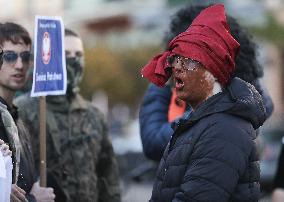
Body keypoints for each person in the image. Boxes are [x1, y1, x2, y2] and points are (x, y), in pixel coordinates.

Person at [141, 4, 266, 201]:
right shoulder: (196, 123)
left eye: (189, 60)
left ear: (213, 72)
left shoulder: (224, 130)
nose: (176, 68)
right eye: (175, 59)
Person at [14, 28, 121, 202]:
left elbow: (108, 176)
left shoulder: (93, 114)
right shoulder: (23, 110)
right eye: (66, 53)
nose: (73, 59)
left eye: (79, 54)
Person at [0, 22, 55, 202]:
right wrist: (33, 199)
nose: (19, 65)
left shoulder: (18, 118)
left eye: (25, 56)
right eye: (9, 56)